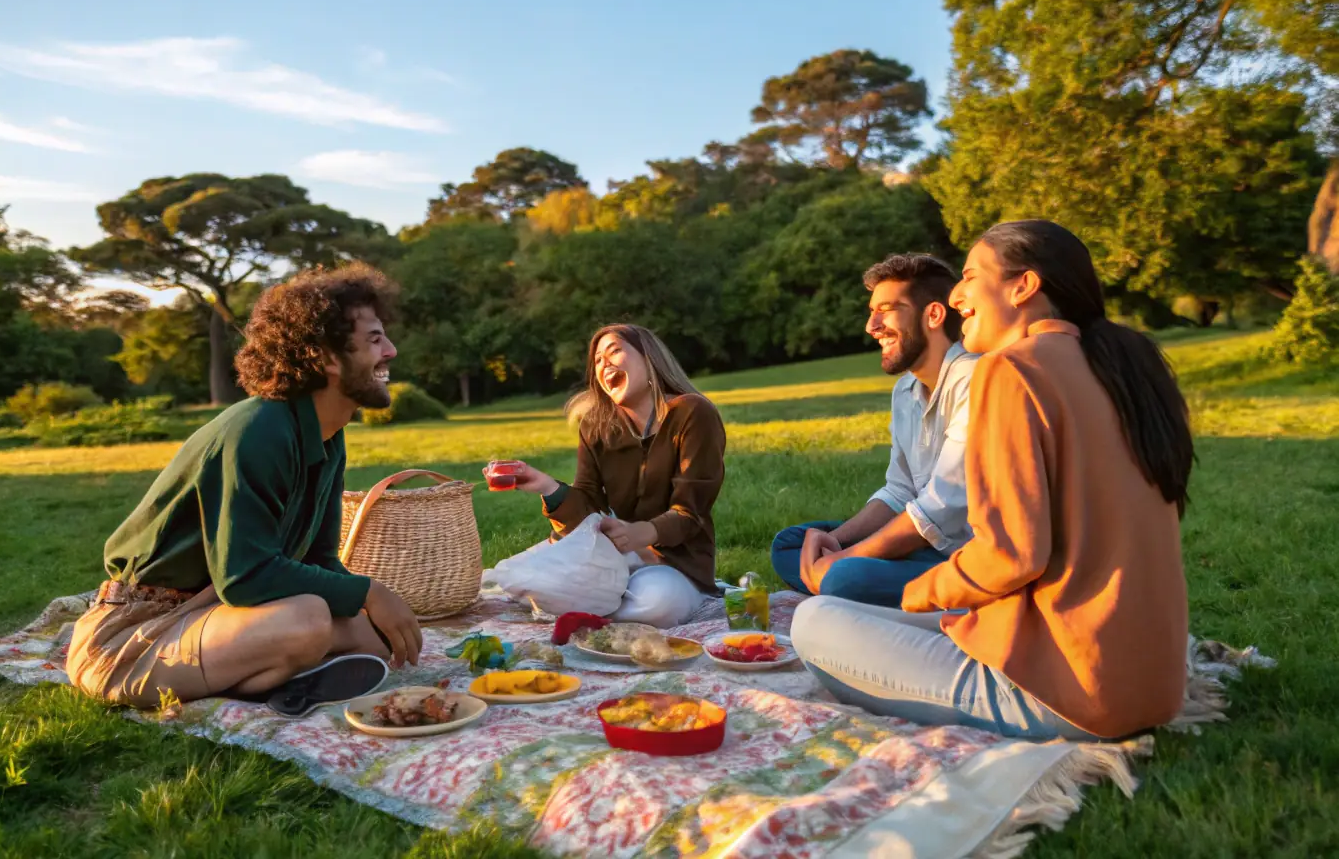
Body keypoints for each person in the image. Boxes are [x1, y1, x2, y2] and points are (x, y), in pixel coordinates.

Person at [791, 220, 1193, 741]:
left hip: (1070, 693)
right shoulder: (1127, 367)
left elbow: (1010, 556)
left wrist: (916, 593)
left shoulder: (1012, 370)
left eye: (970, 276)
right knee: (851, 597)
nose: (957, 296)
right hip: (1150, 683)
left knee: (814, 622)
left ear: (1023, 286)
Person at [66, 264, 423, 715]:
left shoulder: (327, 436)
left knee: (372, 642)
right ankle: (274, 678)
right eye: (375, 339)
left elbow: (317, 560)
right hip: (136, 637)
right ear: (325, 357)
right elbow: (245, 576)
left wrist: (369, 606)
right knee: (309, 620)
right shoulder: (260, 429)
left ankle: (283, 673)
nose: (390, 351)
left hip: (216, 618)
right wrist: (370, 592)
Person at [770, 254, 978, 607]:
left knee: (844, 575)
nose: (872, 325)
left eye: (886, 309)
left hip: (965, 558)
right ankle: (849, 585)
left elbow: (940, 509)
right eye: (871, 312)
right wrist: (836, 541)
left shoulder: (975, 380)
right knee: (792, 543)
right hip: (918, 544)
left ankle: (851, 587)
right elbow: (900, 490)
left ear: (933, 314)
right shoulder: (905, 391)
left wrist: (842, 560)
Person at [504, 324, 725, 628]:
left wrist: (642, 533)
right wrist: (546, 486)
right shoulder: (595, 426)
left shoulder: (692, 413)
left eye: (615, 351)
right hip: (612, 558)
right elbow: (588, 508)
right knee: (525, 585)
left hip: (673, 565)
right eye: (597, 361)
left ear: (649, 359)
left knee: (658, 605)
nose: (603, 364)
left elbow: (691, 511)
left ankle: (590, 610)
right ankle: (600, 602)